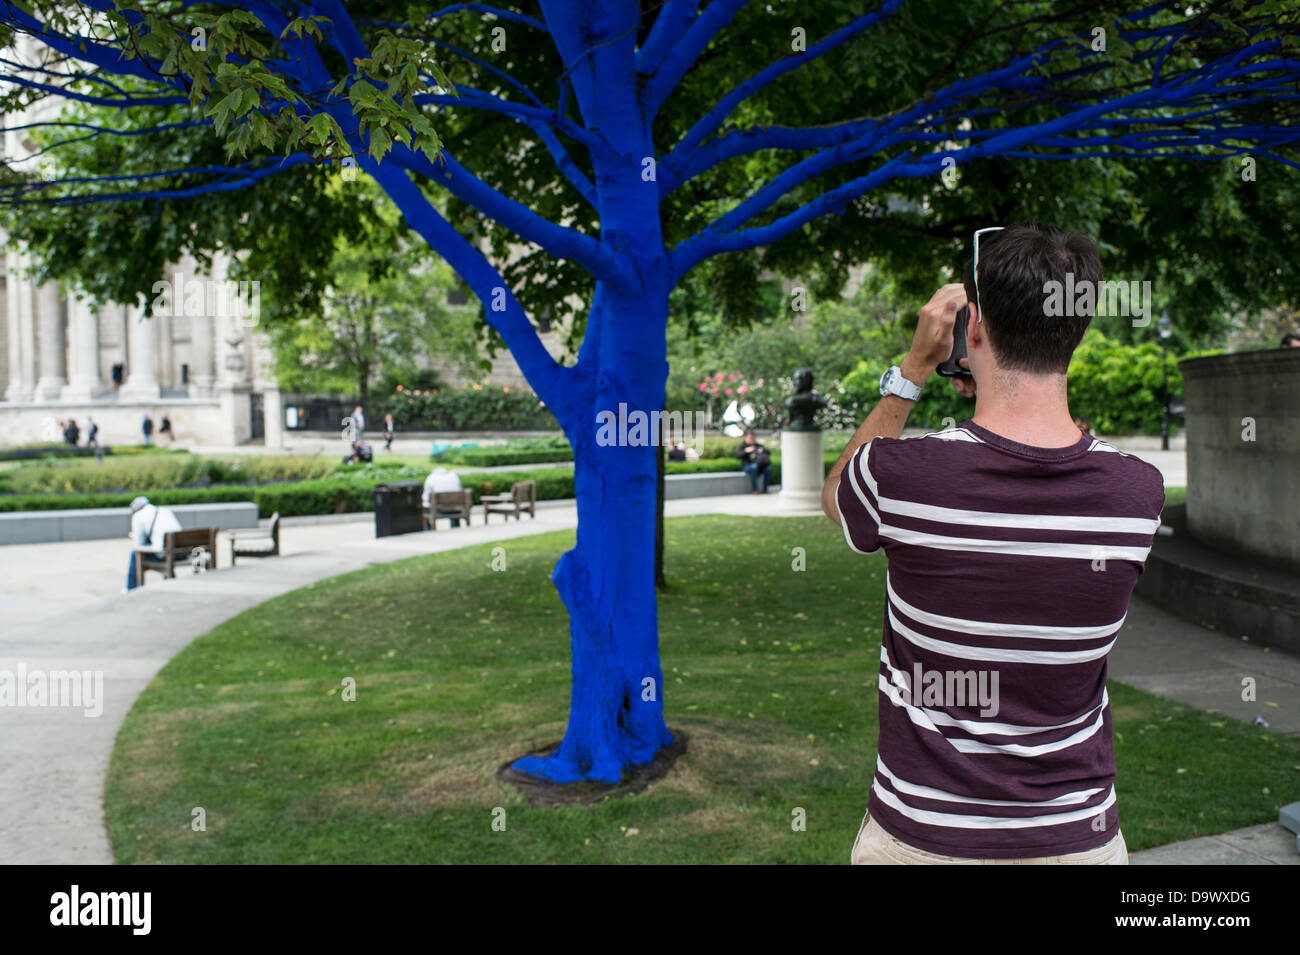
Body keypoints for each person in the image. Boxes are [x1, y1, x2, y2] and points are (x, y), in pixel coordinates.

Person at [823, 222, 1163, 866]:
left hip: (920, 839)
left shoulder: (899, 476)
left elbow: (837, 494)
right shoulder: (1137, 493)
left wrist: (915, 367)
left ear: (971, 327)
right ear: (1078, 328)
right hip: (1076, 840)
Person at [124, 495, 182, 591]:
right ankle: (167, 579)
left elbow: (138, 544)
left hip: (165, 555)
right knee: (162, 545)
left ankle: (131, 588)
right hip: (182, 552)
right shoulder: (165, 510)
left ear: (135, 510)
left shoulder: (138, 516)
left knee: (135, 554)